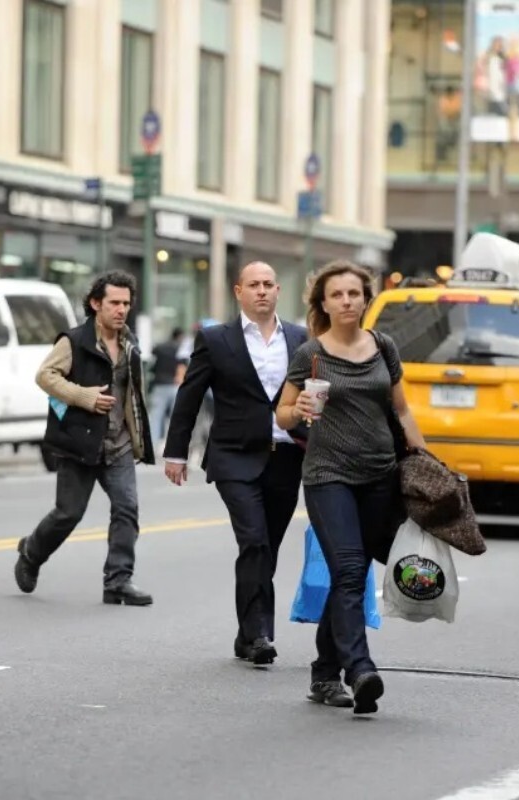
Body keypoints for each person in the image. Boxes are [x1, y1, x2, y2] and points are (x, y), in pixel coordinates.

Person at [275, 260, 425, 715]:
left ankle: (324, 672)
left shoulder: (383, 346)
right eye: (336, 295)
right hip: (328, 476)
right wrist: (298, 407)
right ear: (323, 302)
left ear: (365, 299)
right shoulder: (310, 354)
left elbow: (401, 411)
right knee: (348, 568)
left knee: (353, 572)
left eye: (354, 294)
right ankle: (360, 670)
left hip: (380, 476)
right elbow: (281, 414)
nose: (346, 301)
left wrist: (423, 462)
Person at [162, 262, 308, 667]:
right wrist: (176, 452)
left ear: (278, 290)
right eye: (253, 285)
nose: (261, 291)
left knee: (269, 548)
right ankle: (260, 633)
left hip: (286, 455)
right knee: (254, 540)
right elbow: (189, 397)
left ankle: (246, 634)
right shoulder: (215, 338)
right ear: (238, 291)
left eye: (267, 284)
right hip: (233, 456)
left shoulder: (299, 338)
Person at [14, 271, 155, 605]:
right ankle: (31, 553)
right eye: (114, 303)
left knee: (127, 508)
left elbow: (134, 394)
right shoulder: (74, 341)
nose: (121, 310)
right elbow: (45, 376)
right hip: (80, 444)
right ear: (96, 303)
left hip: (117, 444)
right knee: (68, 513)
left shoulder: (129, 343)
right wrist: (83, 396)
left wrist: (139, 439)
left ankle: (118, 581)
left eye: (126, 303)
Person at [148, 327, 185, 444]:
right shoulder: (181, 349)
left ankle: (153, 443)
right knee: (175, 417)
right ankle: (172, 445)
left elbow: (152, 362)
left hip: (159, 385)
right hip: (175, 385)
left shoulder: (160, 347)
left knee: (156, 415)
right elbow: (182, 366)